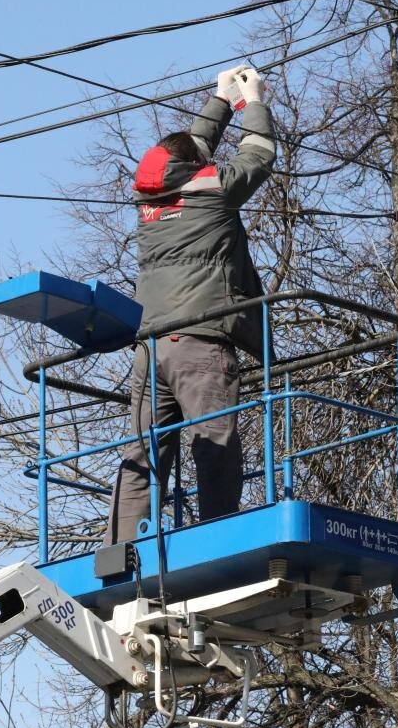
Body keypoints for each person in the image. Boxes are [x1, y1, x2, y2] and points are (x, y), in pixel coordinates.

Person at [106, 65, 277, 543]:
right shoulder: (213, 195)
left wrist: (220, 102)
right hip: (199, 344)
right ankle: (217, 540)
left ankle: (121, 551)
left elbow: (187, 152)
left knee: (142, 455)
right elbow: (258, 156)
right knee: (214, 444)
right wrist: (255, 102)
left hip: (149, 349)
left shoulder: (147, 202)